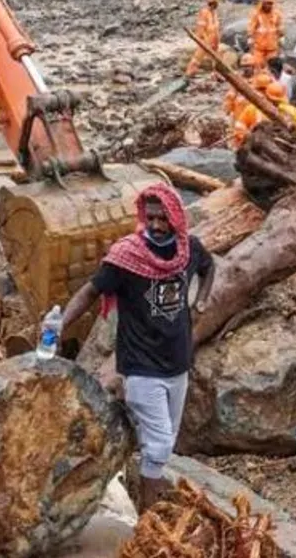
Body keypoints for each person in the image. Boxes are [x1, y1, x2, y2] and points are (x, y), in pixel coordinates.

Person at [58, 184, 214, 512]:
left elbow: (208, 267)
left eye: (163, 219)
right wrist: (60, 325)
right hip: (141, 367)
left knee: (165, 443)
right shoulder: (126, 256)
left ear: (176, 217)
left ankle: (141, 492)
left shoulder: (189, 249)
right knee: (158, 447)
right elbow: (89, 292)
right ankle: (149, 518)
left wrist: (200, 301)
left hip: (178, 363)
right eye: (150, 218)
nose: (156, 226)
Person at [184, 0, 221, 80]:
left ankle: (215, 73)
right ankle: (189, 74)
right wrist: (204, 40)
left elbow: (215, 27)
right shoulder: (204, 12)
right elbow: (201, 28)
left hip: (214, 39)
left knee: (216, 58)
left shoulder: (214, 13)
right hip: (206, 40)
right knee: (197, 58)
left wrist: (217, 38)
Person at [246, 0, 284, 69]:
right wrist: (250, 37)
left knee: (272, 68)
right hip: (259, 48)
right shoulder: (256, 14)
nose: (269, 5)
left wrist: (281, 36)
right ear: (263, 3)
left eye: (270, 3)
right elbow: (251, 26)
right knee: (258, 66)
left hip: (272, 47)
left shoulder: (276, 14)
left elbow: (280, 26)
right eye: (267, 3)